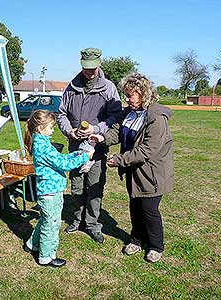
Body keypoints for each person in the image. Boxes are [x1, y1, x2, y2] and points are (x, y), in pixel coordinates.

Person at [89, 73, 174, 262]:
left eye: (130, 95)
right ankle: (136, 239)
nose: (126, 99)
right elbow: (117, 132)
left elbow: (147, 150)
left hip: (152, 173)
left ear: (143, 93)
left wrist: (119, 160)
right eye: (125, 95)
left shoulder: (156, 118)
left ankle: (155, 246)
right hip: (133, 171)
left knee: (149, 209)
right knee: (135, 206)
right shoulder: (129, 112)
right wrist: (102, 138)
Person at [57, 48, 122, 243]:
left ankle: (92, 224)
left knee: (95, 188)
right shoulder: (71, 88)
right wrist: (71, 131)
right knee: (77, 187)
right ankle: (78, 219)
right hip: (76, 148)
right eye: (86, 68)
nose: (89, 72)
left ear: (99, 64)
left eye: (93, 68)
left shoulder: (109, 88)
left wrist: (95, 129)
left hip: (98, 148)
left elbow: (115, 118)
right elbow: (61, 114)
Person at [23, 110, 94, 267]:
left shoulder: (42, 142)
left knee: (45, 220)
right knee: (52, 225)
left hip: (49, 191)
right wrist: (84, 157)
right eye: (51, 127)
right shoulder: (43, 146)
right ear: (40, 128)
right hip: (51, 193)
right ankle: (46, 256)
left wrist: (77, 153)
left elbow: (60, 159)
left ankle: (32, 244)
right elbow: (64, 165)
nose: (53, 130)